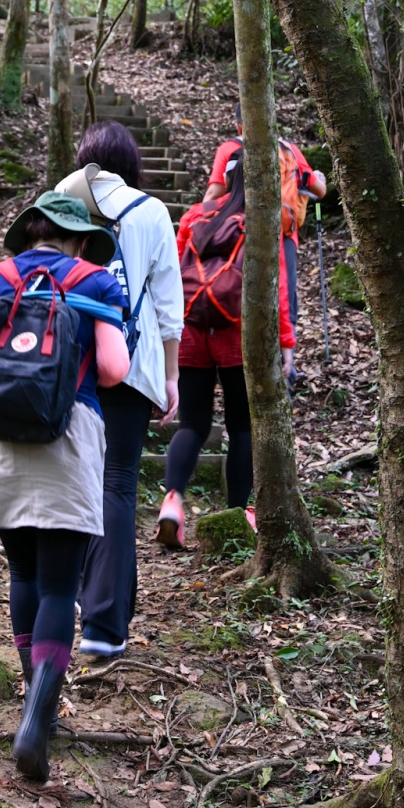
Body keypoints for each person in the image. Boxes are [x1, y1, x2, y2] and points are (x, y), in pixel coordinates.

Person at [0, 191, 129, 781]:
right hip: (67, 433)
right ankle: (38, 715)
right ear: (78, 238)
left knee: (23, 573)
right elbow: (113, 371)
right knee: (60, 585)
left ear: (29, 233)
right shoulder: (96, 282)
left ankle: (33, 696)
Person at [56, 121, 183, 658]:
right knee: (119, 486)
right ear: (130, 162)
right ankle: (107, 625)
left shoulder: (63, 195)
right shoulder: (152, 210)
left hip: (70, 359)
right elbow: (168, 306)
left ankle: (91, 600)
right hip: (130, 364)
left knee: (81, 480)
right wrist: (172, 376)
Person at [156, 156, 295, 547]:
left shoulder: (195, 216)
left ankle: (172, 501)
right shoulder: (263, 222)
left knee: (192, 425)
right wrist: (286, 343)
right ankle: (240, 513)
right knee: (242, 427)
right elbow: (278, 287)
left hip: (191, 330)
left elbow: (173, 273)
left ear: (228, 180)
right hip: (237, 334)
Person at [203, 103, 325, 350]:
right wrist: (320, 178)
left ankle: (237, 351)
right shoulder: (289, 150)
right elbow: (319, 191)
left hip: (237, 233)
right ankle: (285, 359)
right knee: (283, 294)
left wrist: (202, 220)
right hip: (284, 233)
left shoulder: (230, 149)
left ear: (239, 124)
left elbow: (215, 192)